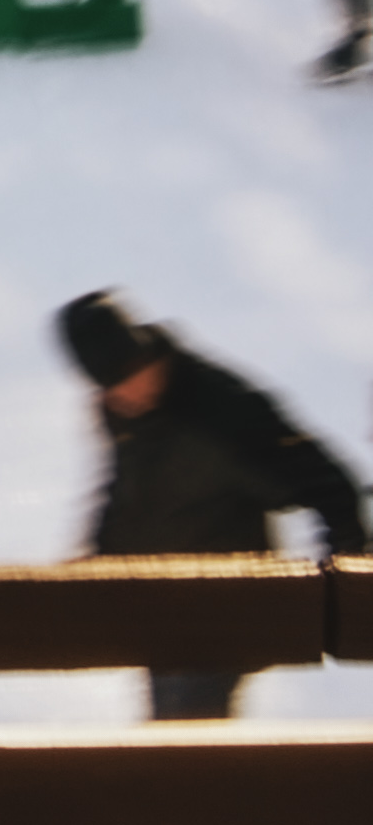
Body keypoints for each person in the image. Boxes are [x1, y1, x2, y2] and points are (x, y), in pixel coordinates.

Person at [55, 288, 364, 716]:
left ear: (148, 356)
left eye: (131, 375)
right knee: (170, 748)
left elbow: (331, 486)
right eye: (111, 387)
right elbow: (127, 493)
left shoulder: (223, 410)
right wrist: (98, 559)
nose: (128, 394)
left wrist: (342, 596)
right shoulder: (123, 414)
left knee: (184, 741)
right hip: (161, 612)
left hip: (225, 609)